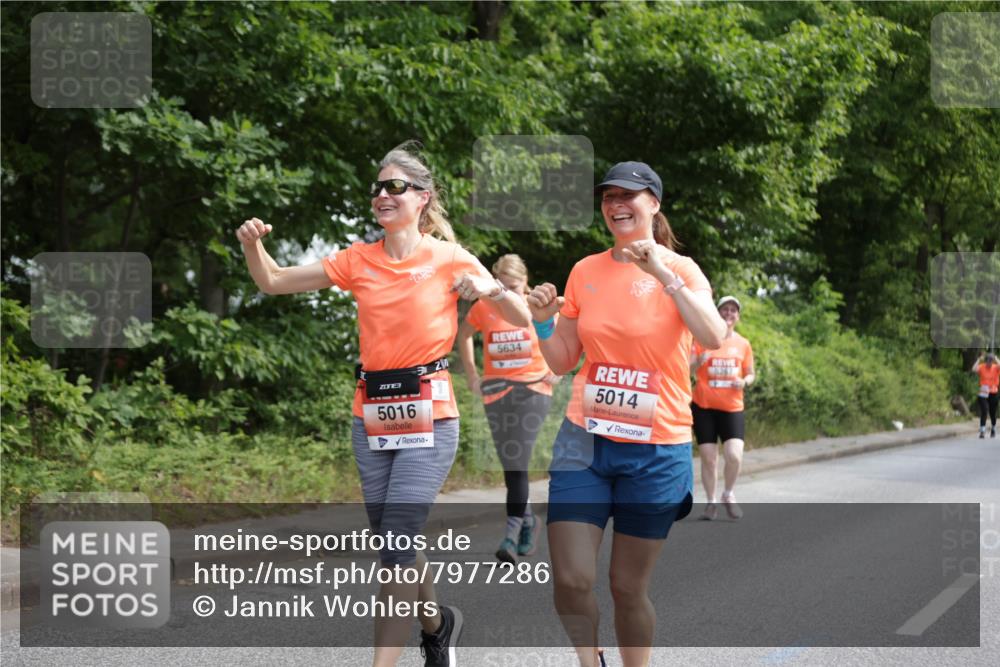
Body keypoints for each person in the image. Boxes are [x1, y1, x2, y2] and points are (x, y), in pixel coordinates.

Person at [235, 142, 530, 667]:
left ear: (423, 197)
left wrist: (486, 288)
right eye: (377, 186)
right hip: (371, 416)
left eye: (395, 186)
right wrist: (252, 245)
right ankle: (438, 625)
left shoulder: (449, 256)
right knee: (397, 542)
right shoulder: (358, 259)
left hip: (431, 415)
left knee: (394, 548)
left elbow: (519, 317)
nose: (382, 194)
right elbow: (273, 280)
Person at [526, 161, 725, 667]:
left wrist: (661, 272)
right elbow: (564, 359)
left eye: (628, 195)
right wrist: (543, 325)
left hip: (658, 448)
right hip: (584, 441)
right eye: (608, 196)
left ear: (653, 204)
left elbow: (712, 336)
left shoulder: (682, 270)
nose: (616, 204)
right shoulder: (585, 270)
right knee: (571, 581)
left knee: (626, 588)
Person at [456, 254, 559, 563]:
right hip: (496, 392)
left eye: (515, 286)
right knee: (511, 465)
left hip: (533, 388)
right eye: (505, 286)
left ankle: (511, 535)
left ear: (526, 282)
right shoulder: (485, 306)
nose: (511, 292)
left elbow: (561, 338)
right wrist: (473, 375)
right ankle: (529, 520)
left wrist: (559, 366)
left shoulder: (536, 305)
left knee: (518, 459)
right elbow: (463, 336)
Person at [690, 296, 755, 520]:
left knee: (734, 455)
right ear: (717, 313)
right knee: (709, 458)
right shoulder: (702, 339)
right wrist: (698, 361)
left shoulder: (743, 344)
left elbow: (750, 373)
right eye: (724, 309)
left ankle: (728, 493)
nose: (729, 313)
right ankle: (711, 503)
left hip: (732, 407)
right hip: (704, 406)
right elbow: (685, 367)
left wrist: (744, 382)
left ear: (738, 316)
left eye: (733, 310)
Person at [972, 353, 999, 438]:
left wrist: (996, 358)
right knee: (984, 410)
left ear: (992, 361)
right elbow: (973, 369)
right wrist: (979, 359)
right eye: (987, 361)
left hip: (993, 392)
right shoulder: (982, 366)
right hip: (983, 392)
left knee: (992, 413)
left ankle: (993, 428)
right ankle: (982, 430)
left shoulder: (995, 367)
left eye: (990, 362)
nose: (988, 364)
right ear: (985, 361)